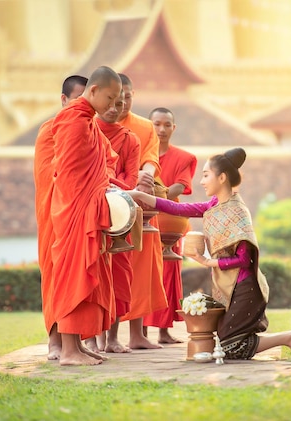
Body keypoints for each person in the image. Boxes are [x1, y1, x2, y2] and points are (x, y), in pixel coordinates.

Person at [127, 147, 291, 360]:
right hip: (229, 286)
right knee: (226, 344)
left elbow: (244, 259)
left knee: (229, 346)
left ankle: (290, 337)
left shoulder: (237, 211)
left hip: (245, 286)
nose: (201, 181)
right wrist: (140, 196)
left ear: (221, 177)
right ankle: (289, 338)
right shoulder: (214, 205)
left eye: (205, 175)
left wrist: (207, 261)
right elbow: (180, 209)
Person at [48, 65, 122, 366]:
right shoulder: (73, 121)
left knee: (81, 278)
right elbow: (66, 174)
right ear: (93, 91)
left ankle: (76, 346)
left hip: (86, 207)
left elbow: (96, 167)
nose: (113, 106)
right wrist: (91, 198)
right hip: (74, 210)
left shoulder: (87, 121)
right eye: (110, 98)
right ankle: (67, 351)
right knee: (72, 278)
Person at [35, 75, 107, 362]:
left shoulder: (89, 127)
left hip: (80, 210)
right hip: (58, 212)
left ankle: (75, 343)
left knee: (78, 275)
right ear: (64, 100)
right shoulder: (51, 130)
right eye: (77, 99)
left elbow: (103, 163)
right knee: (59, 274)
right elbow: (53, 174)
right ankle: (57, 341)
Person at [84, 90, 141, 354]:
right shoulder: (86, 131)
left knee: (119, 275)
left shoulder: (131, 140)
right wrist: (103, 179)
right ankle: (91, 338)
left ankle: (113, 338)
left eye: (120, 103)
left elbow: (131, 182)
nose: (114, 108)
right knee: (91, 273)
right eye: (110, 102)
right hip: (89, 212)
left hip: (120, 215)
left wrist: (106, 180)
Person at [117, 74, 167, 349]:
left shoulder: (144, 126)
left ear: (133, 94)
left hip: (141, 199)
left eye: (127, 95)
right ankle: (104, 336)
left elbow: (151, 158)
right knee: (112, 265)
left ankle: (138, 334)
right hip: (113, 198)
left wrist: (144, 176)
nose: (122, 101)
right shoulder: (99, 123)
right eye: (117, 95)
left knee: (143, 264)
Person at [143, 107, 197, 344]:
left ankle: (164, 332)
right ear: (149, 125)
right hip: (144, 219)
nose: (161, 129)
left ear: (173, 128)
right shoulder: (142, 155)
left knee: (168, 274)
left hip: (170, 221)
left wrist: (158, 194)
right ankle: (140, 332)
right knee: (143, 274)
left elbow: (181, 185)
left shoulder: (183, 157)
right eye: (156, 124)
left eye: (166, 125)